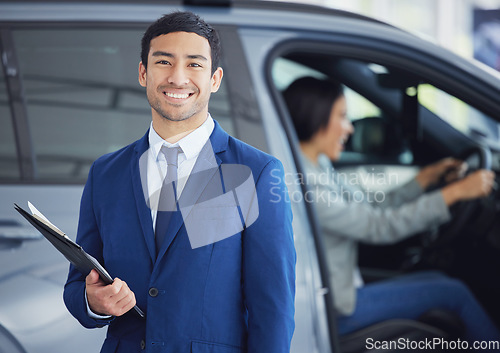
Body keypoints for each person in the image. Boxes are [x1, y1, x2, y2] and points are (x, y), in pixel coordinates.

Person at [64, 12, 295, 353]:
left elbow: (272, 309)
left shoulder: (257, 173)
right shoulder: (106, 173)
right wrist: (93, 301)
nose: (177, 77)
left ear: (214, 79)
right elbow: (75, 287)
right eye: (164, 61)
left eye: (194, 65)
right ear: (144, 73)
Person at [283, 76, 499, 345]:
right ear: (315, 118)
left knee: (438, 278)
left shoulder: (315, 166)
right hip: (332, 312)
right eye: (342, 116)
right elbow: (378, 226)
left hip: (338, 293)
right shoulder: (304, 183)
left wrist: (425, 179)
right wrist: (455, 193)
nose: (349, 128)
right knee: (454, 293)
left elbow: (370, 207)